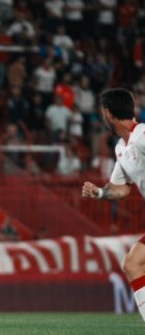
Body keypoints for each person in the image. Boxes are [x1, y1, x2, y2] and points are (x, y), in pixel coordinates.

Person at [82, 88, 145, 322]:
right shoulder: (122, 148)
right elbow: (121, 188)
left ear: (108, 113)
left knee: (133, 263)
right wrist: (99, 193)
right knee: (133, 264)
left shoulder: (142, 136)